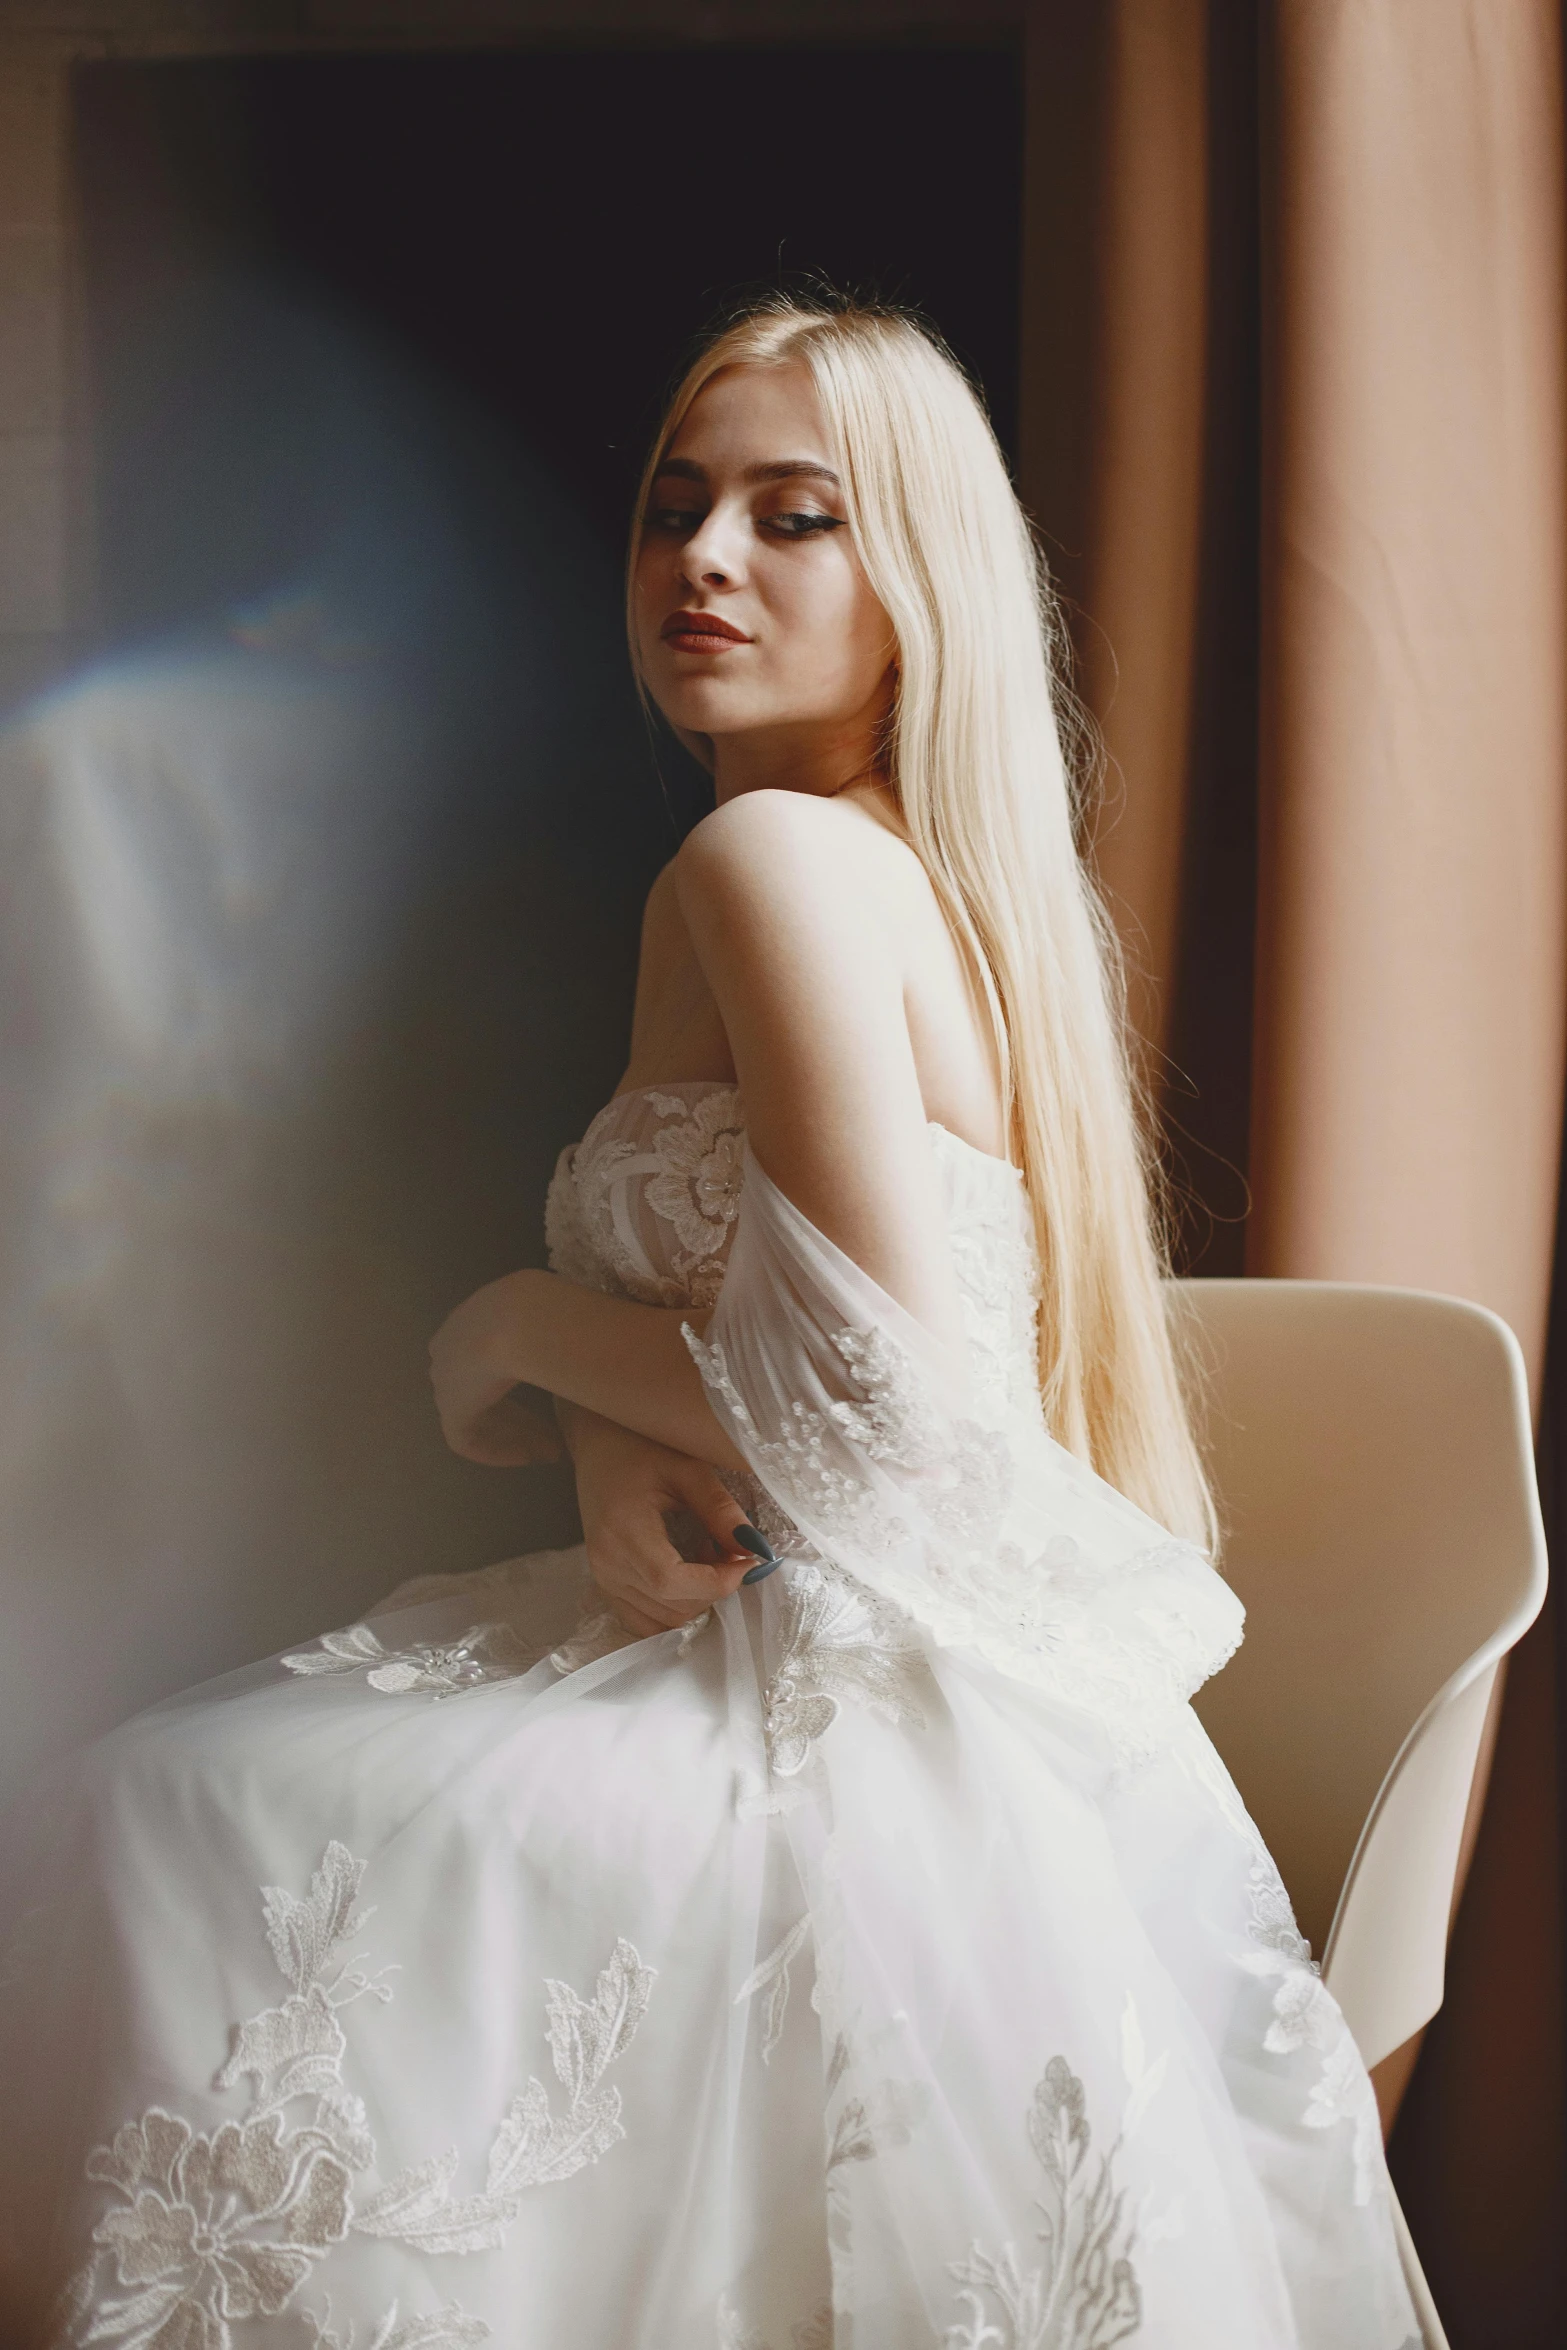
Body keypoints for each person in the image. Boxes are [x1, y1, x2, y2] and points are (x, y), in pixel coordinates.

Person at [0, 295, 1419, 2350]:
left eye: (795, 515)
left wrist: (504, 1330)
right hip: (799, 1625)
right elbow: (765, 1344)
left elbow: (886, 1407)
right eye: (675, 509)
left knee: (139, 1812)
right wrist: (607, 1439)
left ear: (914, 581)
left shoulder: (773, 862)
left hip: (843, 1705)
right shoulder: (868, 866)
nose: (705, 561)